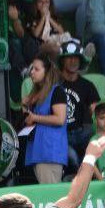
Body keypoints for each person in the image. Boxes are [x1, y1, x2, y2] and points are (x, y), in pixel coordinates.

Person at [20, 56, 69, 184]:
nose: (32, 72)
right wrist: (25, 107)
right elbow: (29, 119)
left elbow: (60, 119)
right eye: (31, 69)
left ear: (46, 72)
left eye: (36, 69)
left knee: (51, 196)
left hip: (49, 151)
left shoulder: (57, 91)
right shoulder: (35, 94)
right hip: (37, 150)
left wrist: (35, 117)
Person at [56, 40, 100, 165]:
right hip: (61, 134)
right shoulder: (54, 85)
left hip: (83, 133)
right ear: (62, 61)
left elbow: (96, 110)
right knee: (73, 158)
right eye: (69, 57)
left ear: (81, 61)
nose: (73, 61)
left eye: (76, 58)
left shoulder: (87, 85)